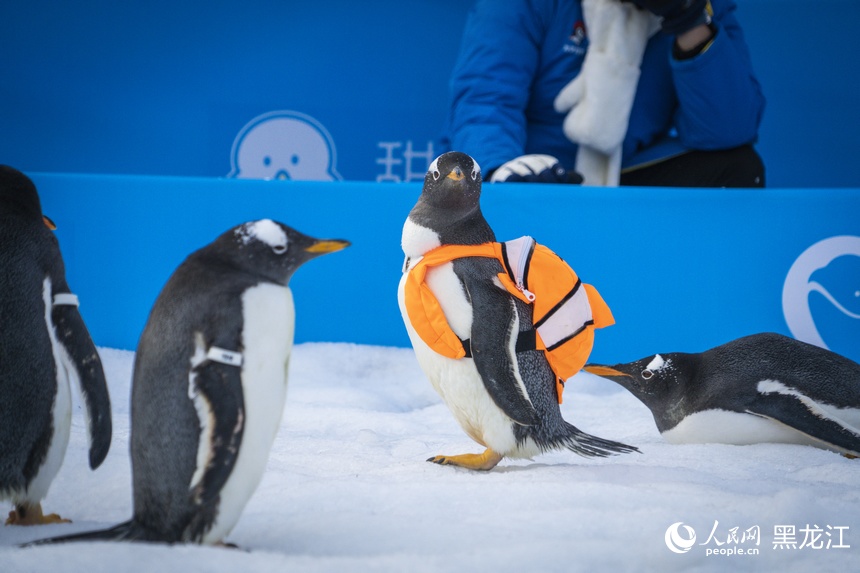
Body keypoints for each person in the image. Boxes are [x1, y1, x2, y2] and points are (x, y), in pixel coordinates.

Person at [441, 0, 766, 187]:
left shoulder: (706, 5)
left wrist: (689, 19)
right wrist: (503, 170)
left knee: (736, 166)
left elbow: (729, 129)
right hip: (539, 172)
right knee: (504, 189)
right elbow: (486, 98)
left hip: (624, 170)